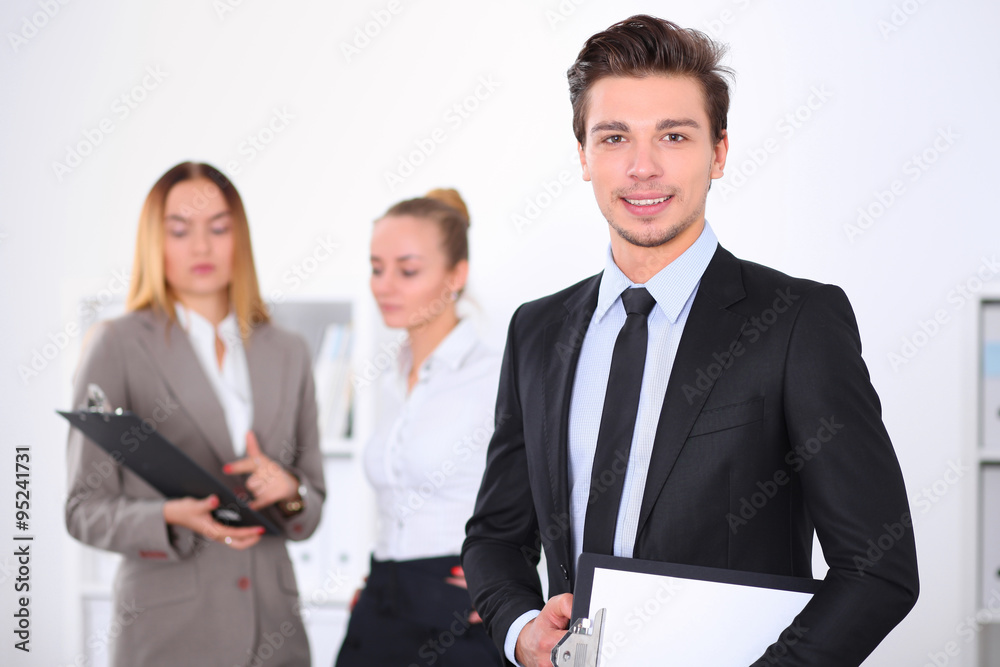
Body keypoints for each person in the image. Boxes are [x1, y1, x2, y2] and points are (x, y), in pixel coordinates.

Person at [462, 15, 919, 667]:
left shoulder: (798, 321)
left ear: (720, 152)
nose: (643, 166)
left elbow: (879, 567)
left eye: (673, 135)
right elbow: (495, 534)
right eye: (615, 136)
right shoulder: (536, 330)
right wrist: (517, 625)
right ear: (584, 157)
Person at [64, 161, 326, 667]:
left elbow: (311, 502)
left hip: (276, 634)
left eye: (218, 228)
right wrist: (169, 517)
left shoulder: (289, 351)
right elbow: (82, 509)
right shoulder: (116, 345)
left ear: (240, 238)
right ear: (154, 243)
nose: (201, 247)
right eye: (180, 231)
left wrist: (289, 492)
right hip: (169, 636)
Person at [335, 189, 503, 666]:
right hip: (381, 595)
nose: (385, 285)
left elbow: (556, 492)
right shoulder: (388, 378)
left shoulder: (496, 373)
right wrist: (380, 585)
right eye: (376, 267)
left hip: (457, 603)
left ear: (456, 275)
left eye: (407, 270)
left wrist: (507, 586)